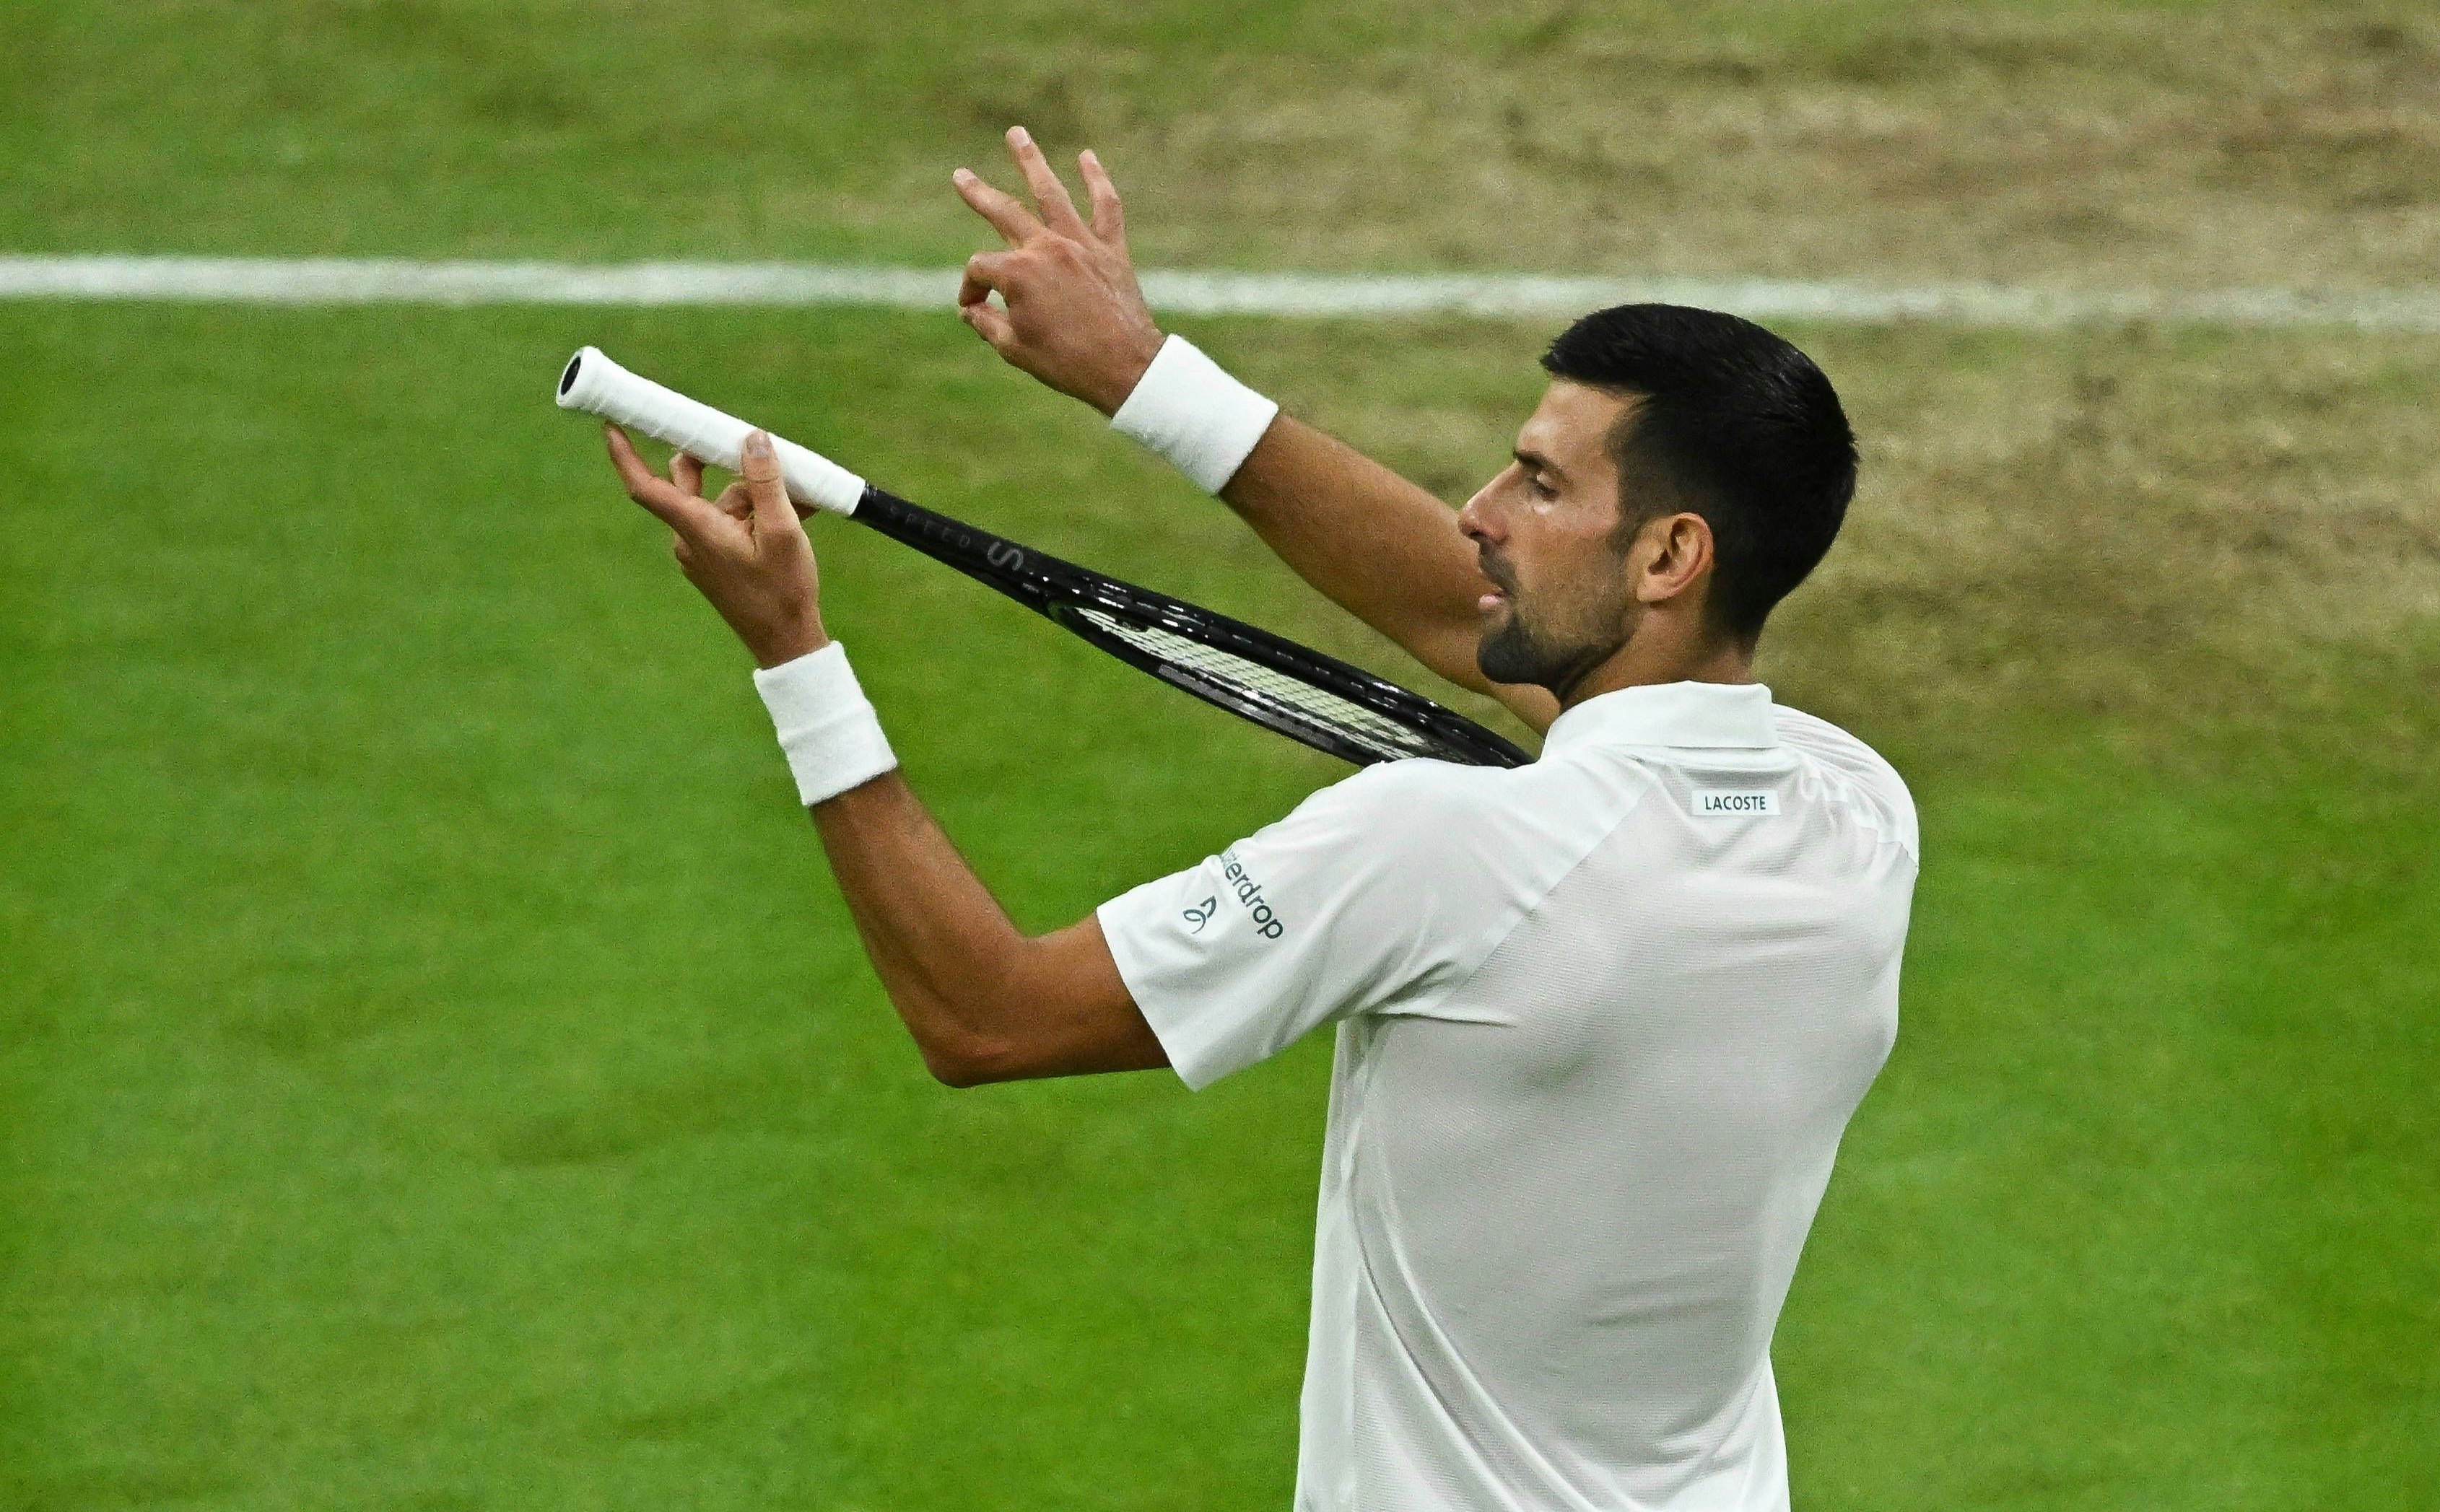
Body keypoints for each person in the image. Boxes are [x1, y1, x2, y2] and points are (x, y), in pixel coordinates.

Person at [604, 126, 1917, 1512]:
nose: (1478, 515)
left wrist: (795, 655)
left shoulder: (1440, 852)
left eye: (1538, 486)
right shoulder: (1861, 822)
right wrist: (1145, 379)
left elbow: (988, 1014)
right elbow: (1467, 619)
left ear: (1668, 554)